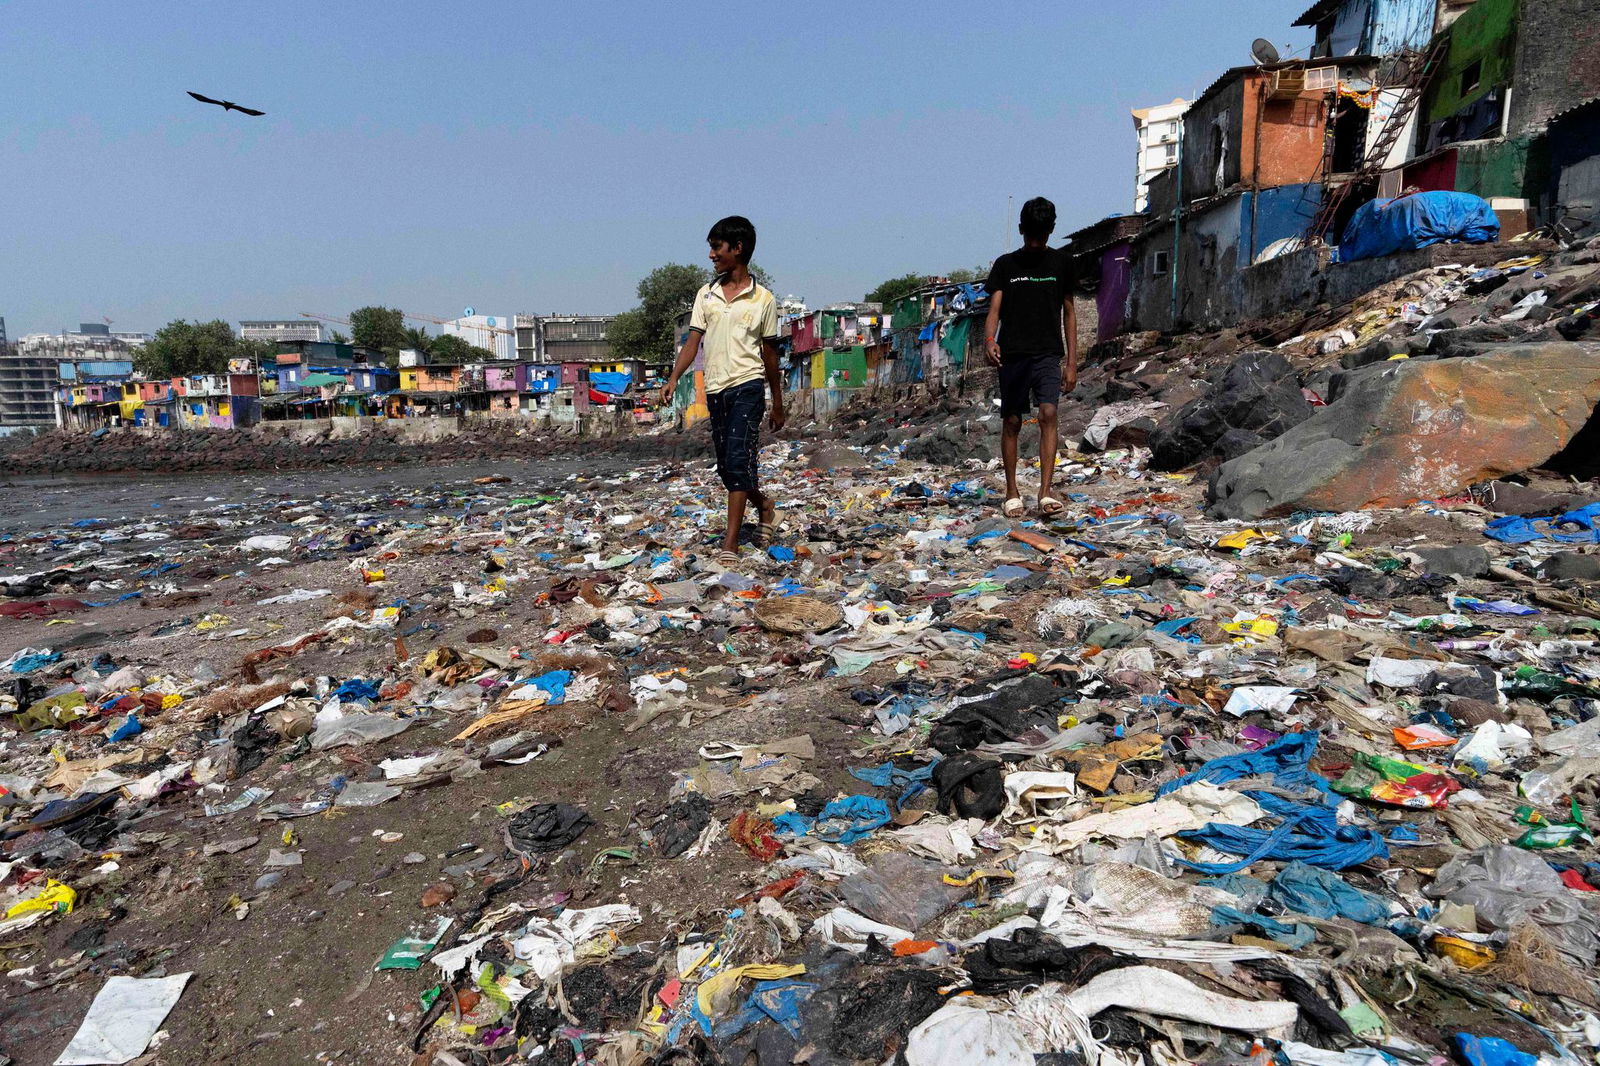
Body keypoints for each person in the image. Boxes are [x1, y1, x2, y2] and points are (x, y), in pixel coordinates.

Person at [661, 216, 786, 566]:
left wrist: (777, 403)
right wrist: (674, 377)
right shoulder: (707, 294)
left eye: (717, 248)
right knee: (727, 467)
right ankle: (764, 506)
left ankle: (730, 544)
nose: (711, 255)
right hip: (716, 390)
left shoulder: (763, 299)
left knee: (737, 459)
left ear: (738, 248)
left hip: (748, 385)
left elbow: (770, 355)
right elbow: (693, 341)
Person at [984, 197, 1078, 518]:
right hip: (1012, 354)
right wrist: (989, 340)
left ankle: (1045, 492)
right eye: (1032, 234)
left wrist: (1072, 363)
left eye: (1042, 234)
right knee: (1012, 420)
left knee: (1048, 413)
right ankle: (1012, 492)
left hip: (1048, 353)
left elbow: (1069, 313)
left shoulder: (1062, 264)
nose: (1037, 241)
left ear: (1050, 231)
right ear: (1021, 230)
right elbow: (994, 310)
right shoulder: (1005, 265)